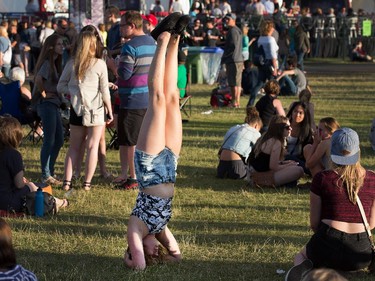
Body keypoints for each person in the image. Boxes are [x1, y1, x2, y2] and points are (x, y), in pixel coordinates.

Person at [124, 15, 190, 269]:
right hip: (169, 166)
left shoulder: (136, 229)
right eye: (155, 254)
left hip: (150, 169)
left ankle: (160, 41)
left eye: (149, 252)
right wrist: (164, 253)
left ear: (134, 249)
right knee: (173, 97)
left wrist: (129, 259)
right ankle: (175, 39)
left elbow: (139, 266)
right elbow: (177, 256)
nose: (154, 252)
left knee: (158, 101)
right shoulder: (161, 229)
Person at [285, 128, 375, 280]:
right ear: (358, 151)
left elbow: (314, 224)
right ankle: (347, 267)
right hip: (360, 253)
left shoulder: (322, 178)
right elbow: (372, 224)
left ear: (332, 152)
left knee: (301, 255)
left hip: (326, 245)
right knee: (352, 259)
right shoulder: (373, 179)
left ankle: (303, 269)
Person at [106, 11, 158, 190]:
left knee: (129, 141)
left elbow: (125, 74)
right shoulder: (152, 42)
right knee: (130, 139)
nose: (119, 29)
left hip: (131, 99)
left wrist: (113, 66)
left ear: (132, 26)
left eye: (122, 25)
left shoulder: (130, 47)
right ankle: (124, 174)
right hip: (146, 98)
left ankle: (133, 178)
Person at [57, 31, 113, 191]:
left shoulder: (72, 63)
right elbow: (104, 90)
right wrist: (109, 110)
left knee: (73, 147)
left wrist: (73, 92)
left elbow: (60, 86)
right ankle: (87, 184)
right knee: (92, 146)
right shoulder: (99, 64)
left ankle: (67, 182)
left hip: (76, 110)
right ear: (93, 45)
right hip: (96, 110)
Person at [0, 116, 68, 213]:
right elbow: (19, 185)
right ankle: (56, 202)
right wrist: (26, 183)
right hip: (8, 203)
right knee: (32, 186)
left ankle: (56, 201)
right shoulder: (14, 155)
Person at [33, 34, 66, 185]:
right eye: (59, 44)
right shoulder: (47, 63)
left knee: (59, 139)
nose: (62, 47)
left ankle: (50, 171)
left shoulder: (55, 64)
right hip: (46, 104)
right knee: (50, 140)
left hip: (54, 104)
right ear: (51, 47)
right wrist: (44, 94)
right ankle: (46, 174)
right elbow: (39, 79)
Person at [248, 115, 304, 187]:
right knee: (299, 170)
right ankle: (266, 183)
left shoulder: (266, 136)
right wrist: (288, 165)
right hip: (259, 176)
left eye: (290, 126)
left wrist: (283, 163)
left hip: (253, 173)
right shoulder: (276, 142)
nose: (290, 129)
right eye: (287, 127)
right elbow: (273, 167)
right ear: (279, 128)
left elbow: (265, 161)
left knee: (296, 169)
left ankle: (288, 183)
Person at [217, 106, 262, 179]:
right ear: (256, 125)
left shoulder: (234, 128)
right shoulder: (254, 132)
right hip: (236, 166)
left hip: (221, 168)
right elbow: (260, 150)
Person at [247, 20, 279, 107]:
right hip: (270, 63)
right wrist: (275, 68)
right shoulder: (271, 39)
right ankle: (274, 102)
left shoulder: (260, 39)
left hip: (262, 63)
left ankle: (250, 102)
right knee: (274, 85)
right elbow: (273, 54)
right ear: (269, 29)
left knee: (259, 83)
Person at [221, 13, 243, 108]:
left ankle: (234, 102)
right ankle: (237, 102)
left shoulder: (233, 31)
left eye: (228, 19)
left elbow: (232, 46)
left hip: (233, 59)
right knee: (237, 83)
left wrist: (226, 56)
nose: (226, 21)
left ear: (233, 20)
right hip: (238, 59)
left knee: (233, 83)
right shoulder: (237, 30)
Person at [285, 101, 313, 171]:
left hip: (298, 159)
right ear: (291, 112)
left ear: (305, 115)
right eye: (295, 111)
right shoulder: (284, 126)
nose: (297, 115)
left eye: (301, 113)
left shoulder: (306, 130)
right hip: (284, 157)